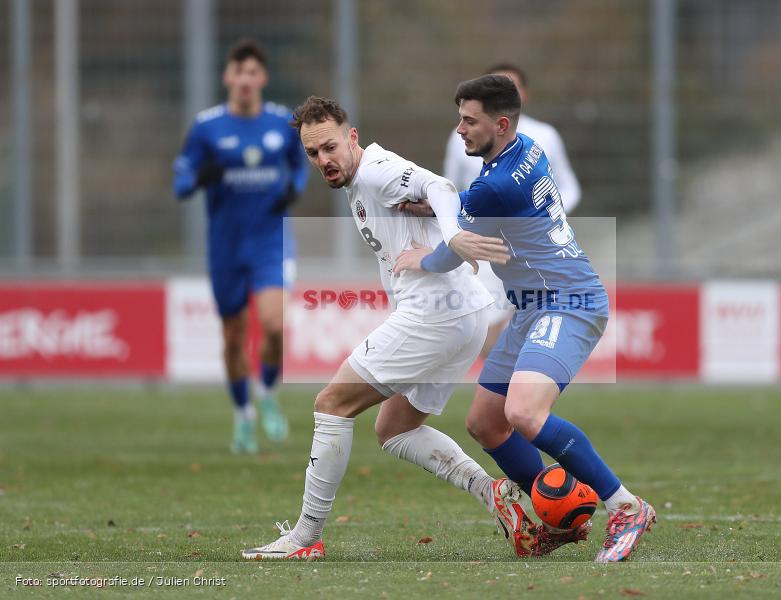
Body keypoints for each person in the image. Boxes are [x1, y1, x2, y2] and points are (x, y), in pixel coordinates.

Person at [240, 96, 533, 561]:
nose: (323, 161)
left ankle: (303, 539)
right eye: (313, 154)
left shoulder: (375, 169)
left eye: (330, 147)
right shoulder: (362, 181)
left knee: (331, 404)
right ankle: (495, 495)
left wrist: (452, 234)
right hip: (464, 313)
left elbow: (440, 186)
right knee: (394, 428)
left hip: (436, 313)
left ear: (351, 138)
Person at [395, 75, 655, 562]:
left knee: (523, 413)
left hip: (568, 301)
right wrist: (433, 207)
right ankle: (560, 510)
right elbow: (467, 211)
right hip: (534, 304)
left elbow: (454, 250)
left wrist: (420, 260)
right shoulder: (526, 148)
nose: (460, 130)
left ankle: (625, 507)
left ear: (501, 123)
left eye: (469, 121)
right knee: (486, 423)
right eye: (459, 119)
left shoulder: (495, 186)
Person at [173, 39, 307, 454]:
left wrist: (293, 189)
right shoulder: (207, 126)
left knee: (274, 325)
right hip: (226, 247)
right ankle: (243, 415)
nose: (246, 80)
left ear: (262, 78)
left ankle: (266, 391)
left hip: (270, 241)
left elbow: (301, 164)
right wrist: (199, 178)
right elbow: (181, 179)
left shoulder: (282, 122)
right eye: (239, 72)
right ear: (227, 77)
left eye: (253, 72)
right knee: (233, 338)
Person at [443, 64, 582, 357]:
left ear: (523, 95)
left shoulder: (542, 136)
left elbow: (568, 187)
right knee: (484, 336)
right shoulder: (464, 136)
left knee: (534, 337)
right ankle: (515, 394)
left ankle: (523, 395)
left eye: (512, 85)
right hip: (484, 247)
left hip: (533, 253)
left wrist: (543, 217)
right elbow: (450, 190)